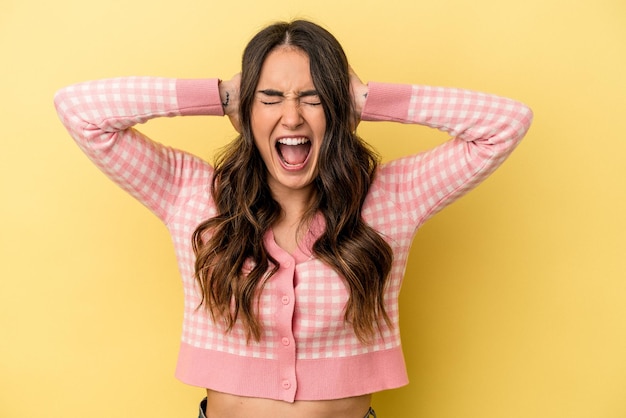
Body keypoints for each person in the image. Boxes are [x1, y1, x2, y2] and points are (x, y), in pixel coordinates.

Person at [54, 19, 532, 418]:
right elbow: (80, 111)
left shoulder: (391, 199)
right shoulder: (193, 194)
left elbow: (505, 124)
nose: (292, 117)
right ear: (246, 111)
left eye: (313, 97)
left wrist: (366, 99)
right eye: (270, 98)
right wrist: (219, 94)